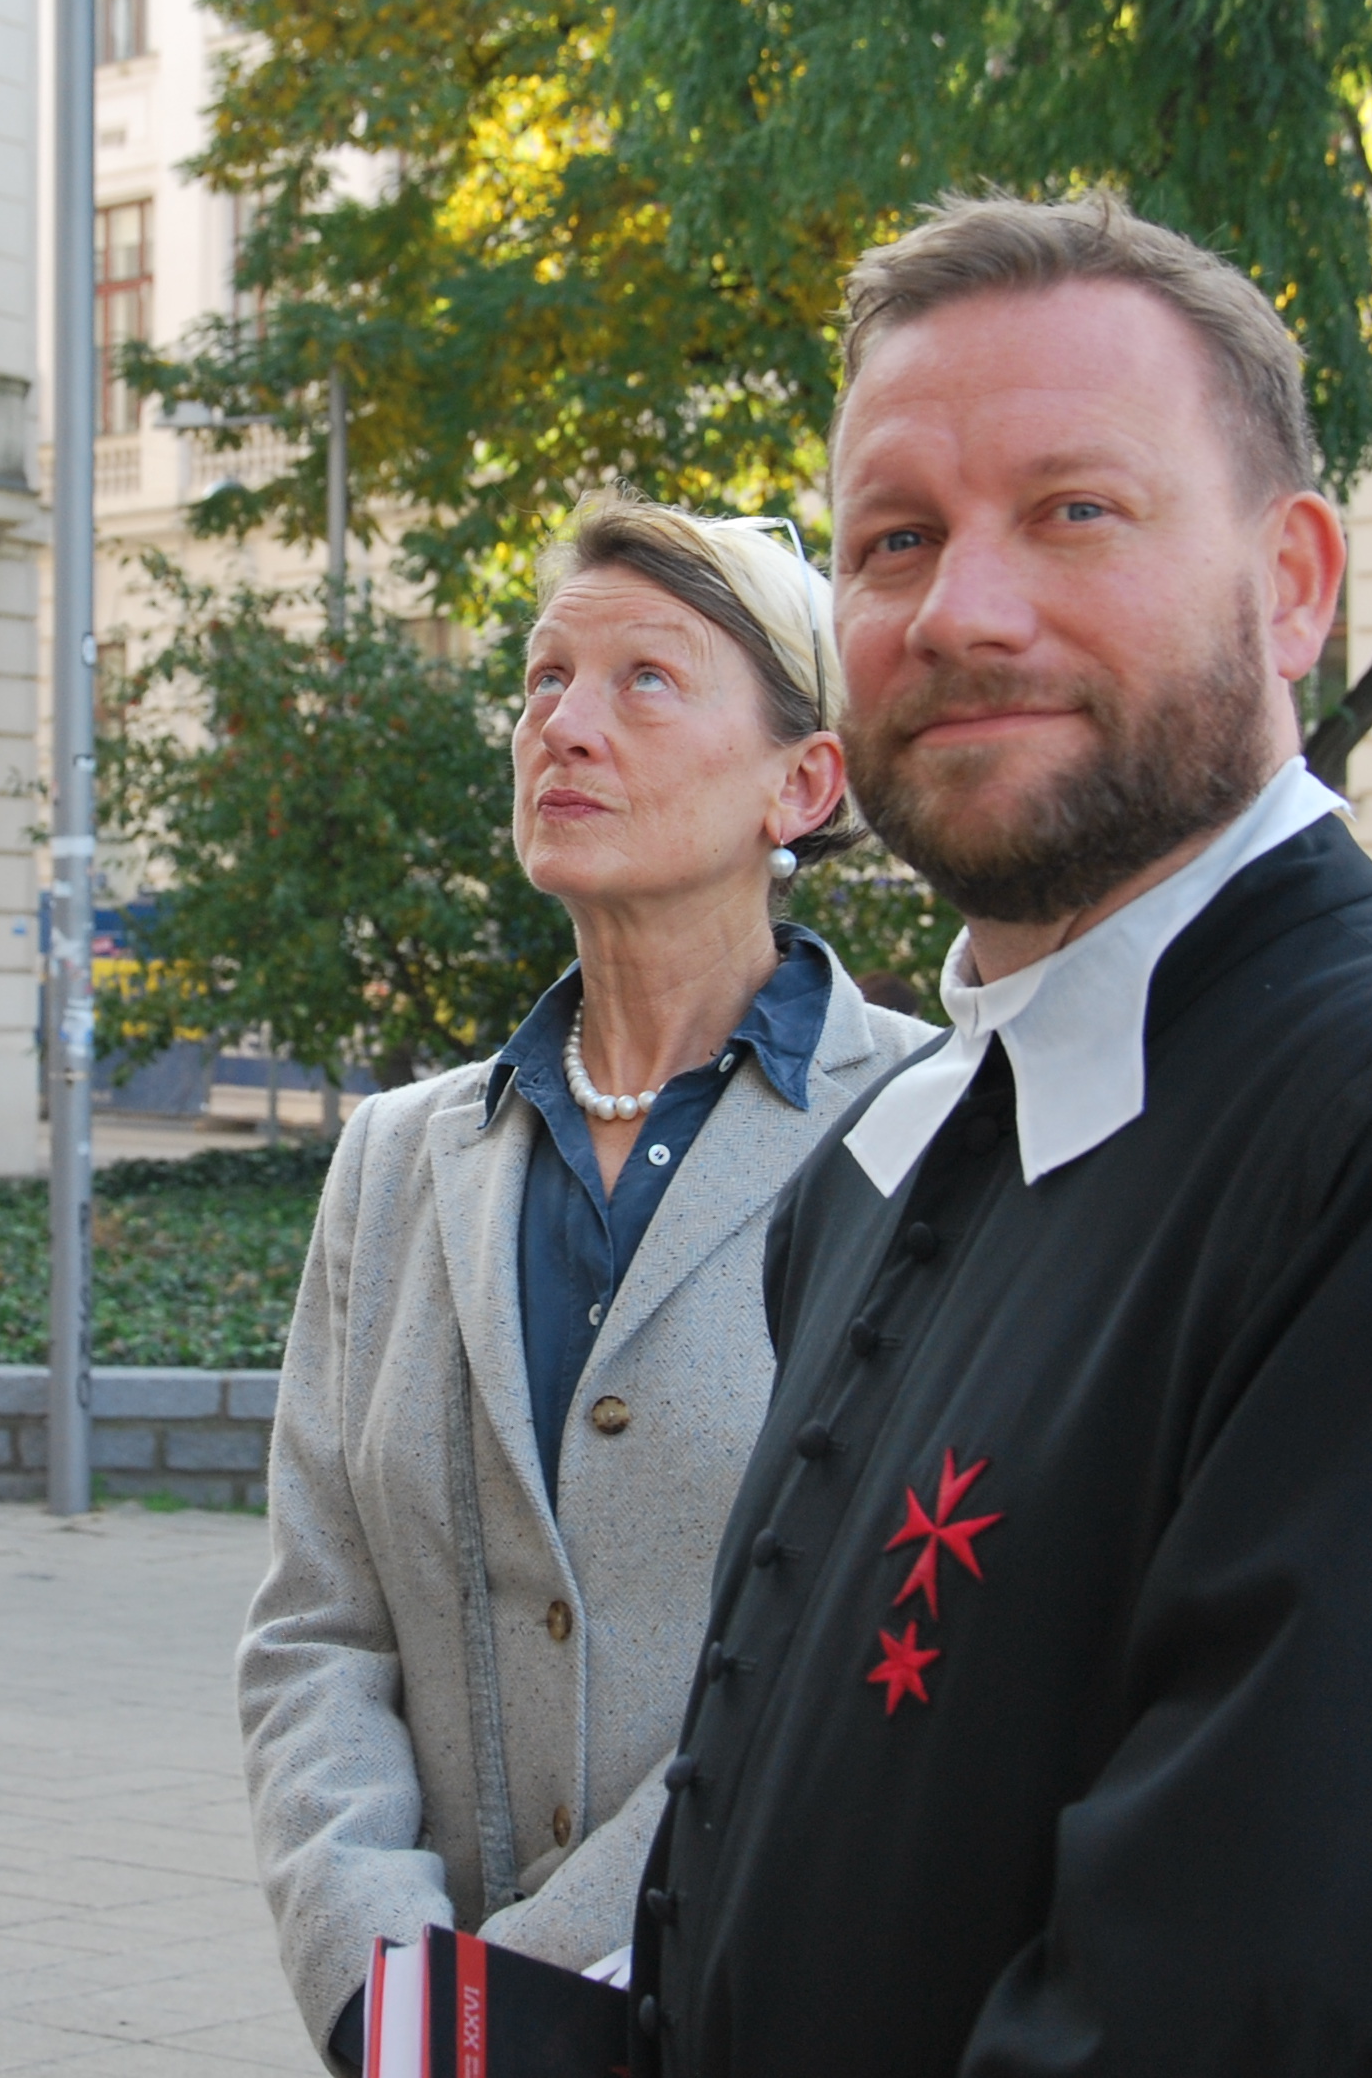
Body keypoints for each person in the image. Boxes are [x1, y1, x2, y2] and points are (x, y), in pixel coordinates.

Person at [626, 193, 1372, 2077]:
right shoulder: (886, 1161)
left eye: (1075, 510)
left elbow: (1265, 2018)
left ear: (1297, 581)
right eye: (895, 540)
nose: (964, 611)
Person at [240, 500, 934, 2072]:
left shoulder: (931, 1131)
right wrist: (383, 1981)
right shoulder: (396, 1162)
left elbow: (865, 1640)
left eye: (644, 681)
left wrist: (522, 2000)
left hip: (786, 2003)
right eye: (545, 678)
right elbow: (315, 1629)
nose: (563, 722)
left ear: (802, 783)